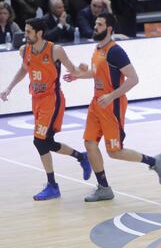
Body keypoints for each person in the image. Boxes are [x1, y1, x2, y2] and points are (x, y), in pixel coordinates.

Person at [63, 13, 161, 202]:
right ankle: (103, 187)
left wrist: (111, 96)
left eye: (99, 24)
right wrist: (78, 75)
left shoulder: (115, 51)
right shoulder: (97, 48)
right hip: (96, 104)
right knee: (89, 143)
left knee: (115, 152)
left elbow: (134, 79)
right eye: (95, 23)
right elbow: (96, 74)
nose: (95, 26)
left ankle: (154, 161)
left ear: (109, 28)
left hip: (112, 105)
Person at [0, 18, 92, 201]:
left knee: (39, 141)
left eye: (28, 32)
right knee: (46, 142)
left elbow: (72, 70)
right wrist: (9, 87)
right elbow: (24, 70)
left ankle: (53, 185)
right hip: (36, 100)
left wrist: (83, 71)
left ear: (39, 33)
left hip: (52, 100)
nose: (24, 36)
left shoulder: (55, 50)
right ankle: (82, 157)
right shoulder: (24, 50)